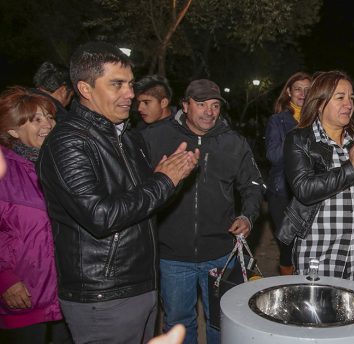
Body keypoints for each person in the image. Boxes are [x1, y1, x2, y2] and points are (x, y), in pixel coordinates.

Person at [37, 42, 199, 344]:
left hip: (141, 283)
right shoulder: (69, 142)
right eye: (117, 85)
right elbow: (101, 216)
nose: (130, 94)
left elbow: (144, 206)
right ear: (85, 88)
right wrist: (163, 181)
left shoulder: (128, 137)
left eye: (130, 84)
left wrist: (172, 180)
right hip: (104, 293)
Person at [140, 78, 265, 344]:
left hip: (221, 254)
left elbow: (253, 185)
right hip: (172, 255)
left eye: (215, 105)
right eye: (201, 104)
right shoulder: (155, 137)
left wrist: (248, 216)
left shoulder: (233, 142)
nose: (209, 111)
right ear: (185, 106)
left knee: (222, 323)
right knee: (178, 324)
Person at [278, 71, 354, 283]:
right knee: (316, 315)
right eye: (340, 97)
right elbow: (304, 189)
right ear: (320, 102)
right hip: (318, 254)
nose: (349, 104)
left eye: (351, 97)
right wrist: (349, 169)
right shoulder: (300, 139)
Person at [0, 87, 61, 343]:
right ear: (13, 130)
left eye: (49, 116)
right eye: (37, 119)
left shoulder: (60, 164)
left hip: (65, 299)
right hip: (23, 295)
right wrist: (5, 279)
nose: (48, 124)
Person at [265, 72, 311, 275]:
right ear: (289, 92)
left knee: (309, 245)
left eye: (308, 89)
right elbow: (273, 155)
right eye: (298, 88)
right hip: (283, 191)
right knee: (288, 245)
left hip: (311, 190)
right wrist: (299, 131)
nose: (303, 93)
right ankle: (287, 287)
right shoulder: (278, 121)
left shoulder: (320, 119)